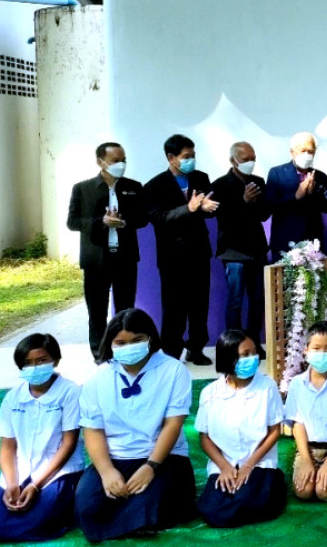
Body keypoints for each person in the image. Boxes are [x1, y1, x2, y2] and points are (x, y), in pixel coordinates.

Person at [75, 308, 196, 542]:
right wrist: (106, 471)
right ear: (110, 343)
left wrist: (151, 466)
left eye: (137, 340)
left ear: (150, 338)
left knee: (149, 505)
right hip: (116, 457)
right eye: (121, 343)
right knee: (86, 507)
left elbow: (173, 424)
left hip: (163, 457)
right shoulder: (98, 377)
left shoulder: (173, 370)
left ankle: (142, 516)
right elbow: (93, 430)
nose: (129, 347)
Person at [0, 333, 83, 542]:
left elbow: (68, 443)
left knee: (41, 524)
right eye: (28, 363)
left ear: (55, 360)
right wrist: (12, 483)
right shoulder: (13, 397)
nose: (35, 367)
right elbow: (7, 448)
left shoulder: (71, 392)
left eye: (42, 360)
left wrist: (35, 485)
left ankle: (64, 510)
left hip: (58, 471)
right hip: (20, 470)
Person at [67, 142, 148, 362]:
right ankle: (100, 354)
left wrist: (124, 221)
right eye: (115, 161)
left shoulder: (134, 187)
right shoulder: (82, 189)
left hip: (125, 258)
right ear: (100, 162)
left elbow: (143, 218)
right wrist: (101, 221)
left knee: (125, 310)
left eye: (123, 160)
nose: (121, 164)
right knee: (96, 311)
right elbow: (72, 222)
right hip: (96, 260)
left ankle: (125, 350)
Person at [195, 330, 285, 528]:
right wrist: (225, 467)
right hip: (225, 463)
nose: (252, 358)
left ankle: (272, 483)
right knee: (212, 510)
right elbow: (205, 438)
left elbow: (274, 432)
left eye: (254, 352)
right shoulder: (210, 393)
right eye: (245, 354)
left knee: (253, 500)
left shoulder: (267, 387)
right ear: (228, 358)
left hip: (258, 462)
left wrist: (248, 466)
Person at [144, 133, 218, 364]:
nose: (191, 160)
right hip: (172, 257)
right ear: (171, 157)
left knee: (199, 304)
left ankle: (196, 348)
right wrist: (189, 208)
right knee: (174, 306)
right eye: (186, 156)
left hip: (199, 251)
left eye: (193, 155)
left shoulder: (201, 178)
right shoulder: (155, 185)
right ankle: (171, 351)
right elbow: (158, 218)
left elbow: (210, 209)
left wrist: (207, 207)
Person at [209, 142, 271, 355]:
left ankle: (254, 342)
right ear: (233, 161)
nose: (250, 163)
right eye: (245, 159)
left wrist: (254, 202)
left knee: (257, 300)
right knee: (235, 300)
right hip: (233, 250)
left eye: (253, 158)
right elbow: (224, 220)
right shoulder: (219, 185)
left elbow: (264, 214)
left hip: (257, 249)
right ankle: (234, 345)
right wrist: (243, 201)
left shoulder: (258, 182)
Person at [284, 321, 327, 502]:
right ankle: (310, 466)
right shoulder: (297, 383)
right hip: (308, 449)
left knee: (324, 492)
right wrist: (307, 461)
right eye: (316, 348)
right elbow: (298, 424)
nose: (322, 354)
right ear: (306, 350)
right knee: (304, 492)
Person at [266, 131, 327, 260]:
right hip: (285, 242)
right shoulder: (277, 173)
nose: (307, 155)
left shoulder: (320, 176)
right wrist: (296, 196)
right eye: (302, 151)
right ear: (292, 152)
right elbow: (270, 205)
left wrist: (312, 193)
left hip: (312, 243)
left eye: (310, 151)